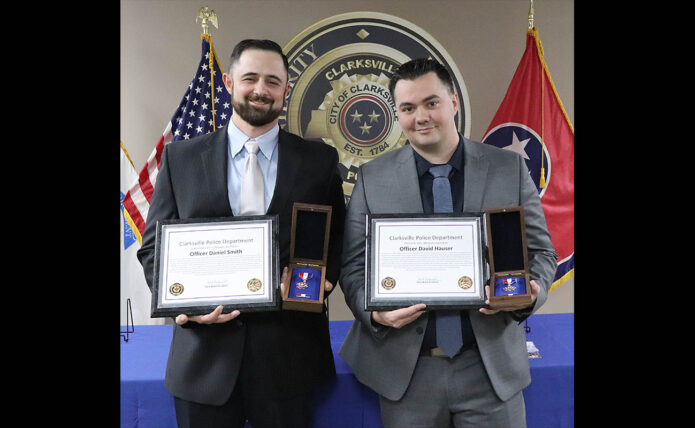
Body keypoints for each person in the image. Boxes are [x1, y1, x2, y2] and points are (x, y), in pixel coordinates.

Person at [338, 58, 558, 427]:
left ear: (453, 101)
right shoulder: (373, 178)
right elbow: (354, 266)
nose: (420, 116)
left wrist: (531, 292)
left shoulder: (508, 168)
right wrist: (374, 312)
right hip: (406, 373)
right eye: (407, 108)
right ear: (397, 114)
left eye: (431, 102)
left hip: (488, 369)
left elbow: (541, 252)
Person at [137, 39, 345, 428]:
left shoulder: (319, 160)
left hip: (290, 359)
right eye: (250, 78)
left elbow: (335, 241)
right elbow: (153, 249)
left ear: (286, 89)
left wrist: (317, 282)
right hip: (203, 362)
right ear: (230, 83)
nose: (260, 90)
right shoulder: (180, 158)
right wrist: (185, 304)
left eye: (272, 81)